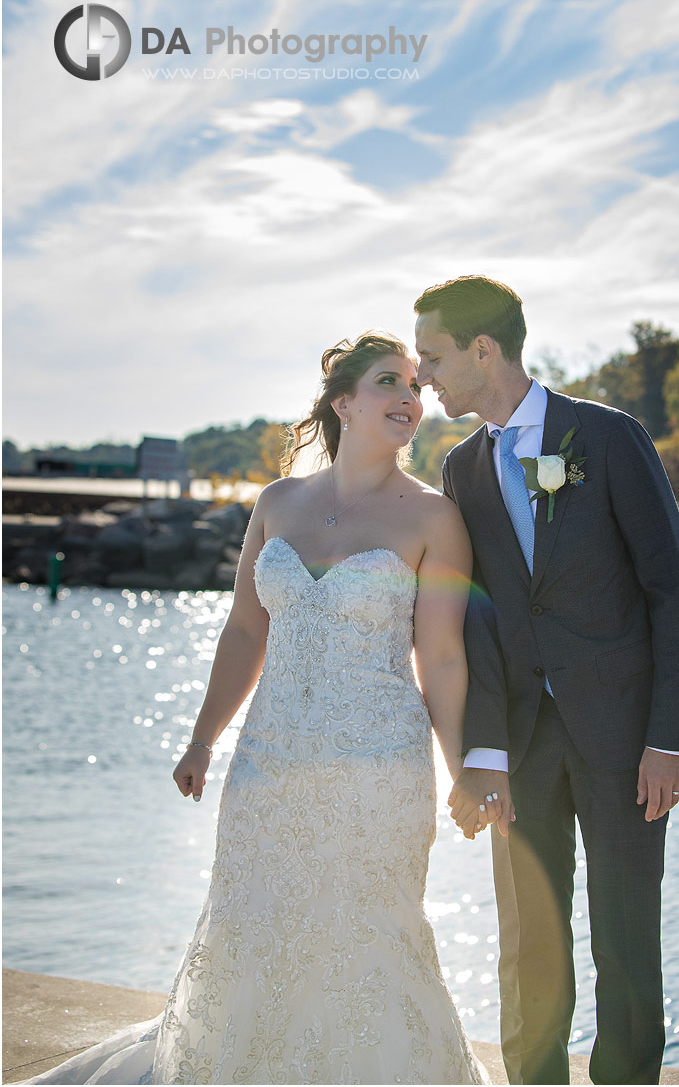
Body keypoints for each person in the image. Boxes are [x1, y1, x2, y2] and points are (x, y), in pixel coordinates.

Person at [27, 332, 488, 1086]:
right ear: (343, 403)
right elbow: (246, 630)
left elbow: (441, 658)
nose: (410, 397)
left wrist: (462, 770)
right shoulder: (277, 503)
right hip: (268, 761)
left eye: (413, 383)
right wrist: (202, 740)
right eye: (388, 382)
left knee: (370, 933)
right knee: (254, 923)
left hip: (377, 769)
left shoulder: (433, 518)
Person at [414, 278, 679, 1086]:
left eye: (434, 357)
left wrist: (667, 738)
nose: (425, 376)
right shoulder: (461, 467)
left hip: (624, 740)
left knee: (623, 939)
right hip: (521, 749)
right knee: (526, 947)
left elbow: (669, 590)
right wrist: (483, 755)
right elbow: (473, 620)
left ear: (483, 349)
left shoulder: (608, 437)